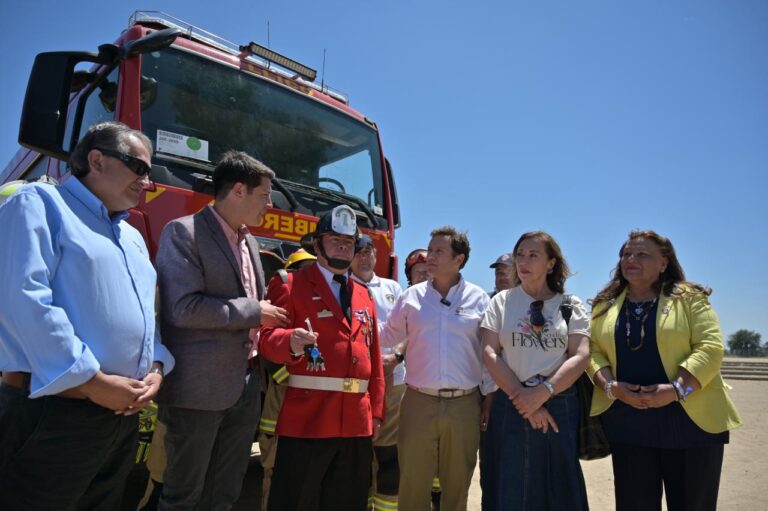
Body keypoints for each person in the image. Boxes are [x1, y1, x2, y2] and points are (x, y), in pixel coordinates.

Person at [0, 121, 175, 510]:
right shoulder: (39, 204)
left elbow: (147, 315)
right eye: (139, 168)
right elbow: (24, 300)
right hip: (54, 414)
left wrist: (157, 366)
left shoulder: (131, 237)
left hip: (120, 418)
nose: (147, 182)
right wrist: (92, 381)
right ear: (96, 159)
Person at [155, 150, 288, 511]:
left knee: (224, 495)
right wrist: (254, 311)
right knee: (183, 497)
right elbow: (181, 308)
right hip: (197, 392)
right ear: (239, 190)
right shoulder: (184, 232)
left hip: (244, 388)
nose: (270, 205)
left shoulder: (250, 242)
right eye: (265, 196)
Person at [588, 230, 742, 511]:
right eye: (626, 254)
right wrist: (611, 387)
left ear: (663, 263)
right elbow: (593, 352)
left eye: (642, 254)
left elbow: (710, 347)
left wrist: (676, 390)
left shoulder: (690, 298)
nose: (630, 259)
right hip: (629, 421)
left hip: (691, 422)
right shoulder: (604, 305)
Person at [260, 204, 386, 511]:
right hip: (307, 423)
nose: (343, 246)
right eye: (334, 239)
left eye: (348, 241)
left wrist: (377, 413)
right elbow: (266, 341)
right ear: (317, 244)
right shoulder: (289, 284)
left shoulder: (364, 295)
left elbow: (375, 359)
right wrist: (290, 341)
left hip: (356, 424)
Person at [381, 226, 491, 511]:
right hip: (418, 401)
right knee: (413, 484)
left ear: (459, 259)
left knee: (457, 486)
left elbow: (489, 354)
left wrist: (488, 399)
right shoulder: (411, 298)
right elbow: (386, 336)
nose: (430, 256)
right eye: (430, 250)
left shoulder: (480, 300)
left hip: (465, 404)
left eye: (439, 251)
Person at [480, 231, 590, 510]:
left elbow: (581, 355)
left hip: (559, 405)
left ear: (551, 264)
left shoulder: (570, 305)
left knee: (558, 488)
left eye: (533, 255)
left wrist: (543, 392)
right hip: (511, 404)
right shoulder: (501, 302)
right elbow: (490, 352)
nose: (523, 261)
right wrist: (523, 397)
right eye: (519, 255)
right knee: (510, 487)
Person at [258, 248, 317, 511]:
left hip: (307, 400)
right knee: (274, 468)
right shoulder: (283, 293)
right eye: (301, 268)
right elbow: (268, 346)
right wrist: (286, 377)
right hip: (281, 397)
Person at [351, 235, 405, 511]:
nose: (365, 257)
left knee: (389, 452)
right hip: (356, 385)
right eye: (358, 252)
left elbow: (410, 329)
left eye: (369, 252)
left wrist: (397, 357)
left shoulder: (393, 288)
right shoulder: (342, 287)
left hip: (394, 380)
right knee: (358, 453)